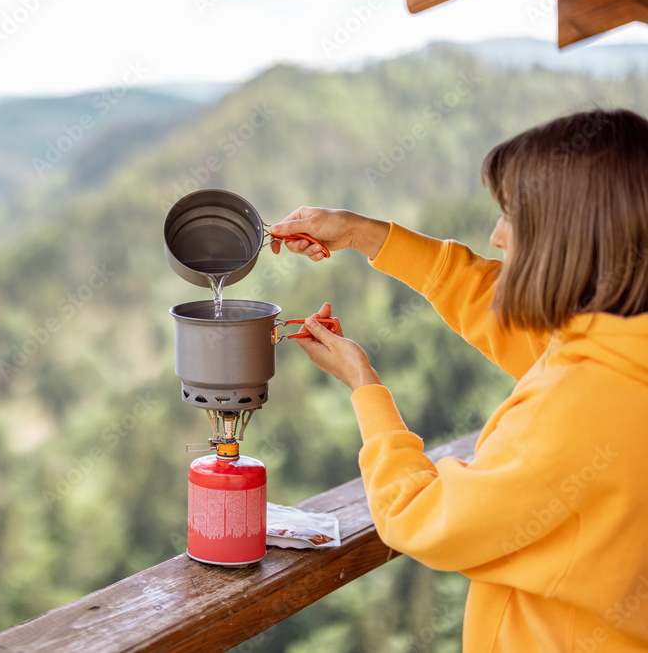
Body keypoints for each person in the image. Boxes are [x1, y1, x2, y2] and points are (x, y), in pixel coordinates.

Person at [269, 108, 648, 652]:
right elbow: (497, 307)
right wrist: (361, 233)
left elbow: (418, 516)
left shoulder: (574, 407)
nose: (497, 237)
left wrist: (365, 388)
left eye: (514, 217)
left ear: (569, 235)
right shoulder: (621, 348)